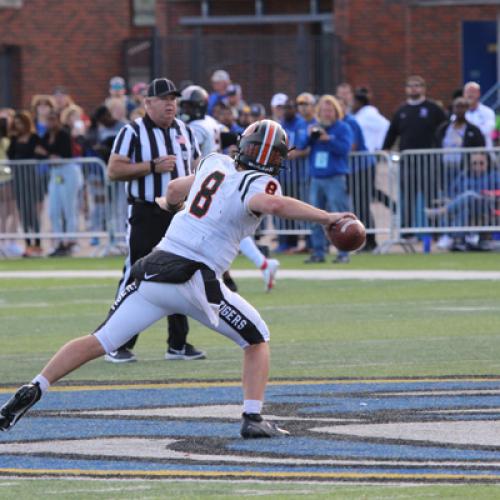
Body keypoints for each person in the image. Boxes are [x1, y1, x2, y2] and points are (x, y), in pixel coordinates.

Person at [0, 119, 355, 438]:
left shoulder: (213, 161)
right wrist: (327, 218)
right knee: (257, 339)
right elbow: (272, 205)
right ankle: (253, 417)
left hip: (153, 269)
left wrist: (172, 208)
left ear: (241, 146)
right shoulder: (262, 182)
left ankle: (36, 386)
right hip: (194, 278)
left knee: (99, 340)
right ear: (277, 157)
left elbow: (171, 193)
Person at [105, 77, 203, 364]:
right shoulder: (132, 132)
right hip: (146, 212)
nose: (171, 104)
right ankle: (116, 341)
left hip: (179, 213)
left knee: (181, 274)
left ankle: (178, 344)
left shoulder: (185, 130)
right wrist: (151, 166)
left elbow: (197, 165)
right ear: (147, 103)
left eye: (174, 99)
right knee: (136, 275)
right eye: (164, 99)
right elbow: (113, 170)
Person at [179, 84, 279, 292]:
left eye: (189, 106)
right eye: (185, 106)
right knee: (226, 228)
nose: (185, 111)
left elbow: (185, 153)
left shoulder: (196, 127)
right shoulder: (210, 122)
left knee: (219, 229)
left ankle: (227, 275)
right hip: (214, 180)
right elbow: (232, 137)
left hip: (204, 181)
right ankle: (238, 274)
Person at [383, 75, 447, 232]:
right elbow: (392, 133)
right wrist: (385, 149)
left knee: (431, 196)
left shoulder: (433, 108)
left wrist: (438, 147)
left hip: (428, 161)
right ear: (406, 89)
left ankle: (435, 232)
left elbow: (446, 128)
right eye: (411, 85)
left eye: (417, 85)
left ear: (423, 88)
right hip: (407, 162)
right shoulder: (401, 111)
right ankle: (407, 232)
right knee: (407, 197)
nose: (414, 88)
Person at [303, 95, 353, 264]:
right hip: (317, 178)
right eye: (324, 110)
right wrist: (310, 135)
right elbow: (302, 145)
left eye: (330, 110)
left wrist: (328, 140)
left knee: (339, 216)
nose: (327, 113)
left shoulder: (343, 128)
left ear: (336, 111)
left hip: (335, 178)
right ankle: (318, 252)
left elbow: (344, 149)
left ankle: (343, 253)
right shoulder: (314, 127)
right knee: (315, 216)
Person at [425, 152, 500, 250]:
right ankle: (452, 237)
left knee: (469, 195)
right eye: (475, 163)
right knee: (465, 208)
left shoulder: (495, 175)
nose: (477, 166)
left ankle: (442, 214)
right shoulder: (463, 176)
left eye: (481, 163)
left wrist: (487, 193)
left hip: (487, 207)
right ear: (470, 164)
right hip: (463, 208)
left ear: (487, 163)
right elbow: (451, 194)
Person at [7, 111, 45, 257]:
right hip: (18, 179)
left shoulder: (34, 138)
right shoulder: (14, 139)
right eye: (16, 123)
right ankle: (28, 244)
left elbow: (41, 153)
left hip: (31, 178)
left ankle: (38, 244)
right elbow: (10, 157)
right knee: (23, 213)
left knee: (33, 213)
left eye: (20, 122)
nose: (18, 125)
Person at [463, 81, 495, 149]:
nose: (470, 94)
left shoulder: (488, 112)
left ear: (479, 93)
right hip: (464, 155)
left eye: (473, 91)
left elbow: (488, 130)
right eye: (467, 92)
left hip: (484, 153)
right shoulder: (458, 113)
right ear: (464, 94)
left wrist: (469, 133)